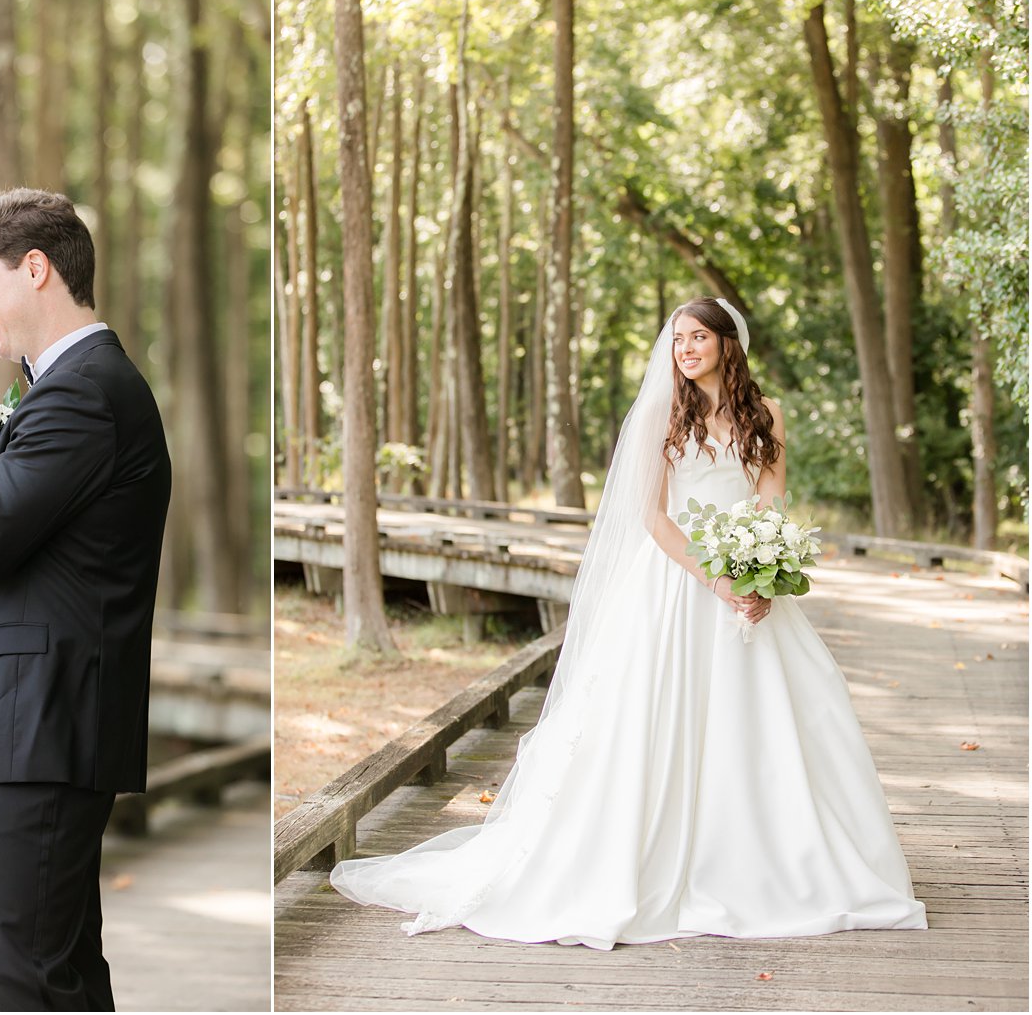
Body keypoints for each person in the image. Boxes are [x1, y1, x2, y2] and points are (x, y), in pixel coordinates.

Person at [330, 296, 926, 947]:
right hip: (674, 585)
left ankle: (768, 857)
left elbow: (770, 495)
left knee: (772, 722)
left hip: (749, 584)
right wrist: (717, 577)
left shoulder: (768, 414)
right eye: (678, 340)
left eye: (699, 337)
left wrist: (766, 575)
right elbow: (654, 517)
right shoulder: (660, 416)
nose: (687, 349)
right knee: (652, 724)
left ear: (729, 343)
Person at [0, 187, 171, 1012]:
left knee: (31, 982)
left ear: (35, 267)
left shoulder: (84, 390)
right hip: (37, 727)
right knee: (59, 974)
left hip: (40, 729)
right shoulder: (70, 385)